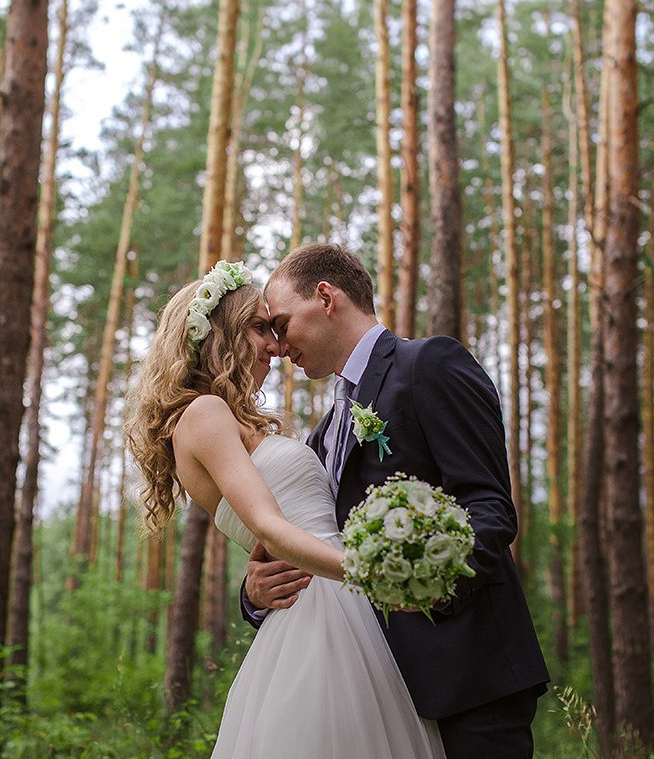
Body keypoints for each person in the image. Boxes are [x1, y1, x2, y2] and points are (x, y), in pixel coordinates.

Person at [124, 260, 445, 759]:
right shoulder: (204, 414)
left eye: (275, 327)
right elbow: (270, 529)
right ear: (220, 335)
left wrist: (258, 587)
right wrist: (374, 574)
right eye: (259, 328)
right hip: (329, 608)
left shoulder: (230, 422)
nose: (275, 345)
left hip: (341, 607)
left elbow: (272, 543)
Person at [244, 243, 550, 759]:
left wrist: (431, 590)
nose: (277, 346)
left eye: (280, 323)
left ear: (325, 297)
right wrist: (256, 595)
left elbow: (490, 505)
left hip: (467, 674)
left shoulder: (429, 364)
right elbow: (316, 542)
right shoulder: (324, 435)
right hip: (373, 690)